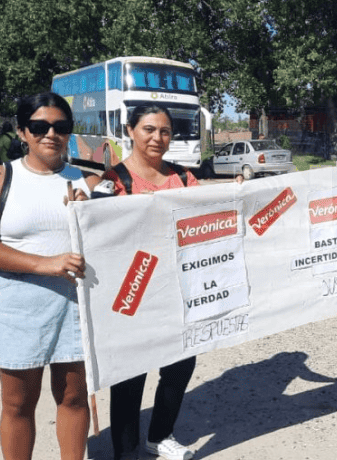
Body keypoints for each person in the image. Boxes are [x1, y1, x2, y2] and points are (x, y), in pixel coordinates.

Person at [0, 92, 100, 459]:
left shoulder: (88, 183)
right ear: (22, 131)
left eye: (61, 126)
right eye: (39, 126)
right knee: (18, 403)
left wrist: (94, 215)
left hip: (74, 306)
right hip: (18, 306)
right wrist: (44, 263)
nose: (50, 134)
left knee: (73, 396)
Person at [102, 104, 199, 460]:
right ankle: (126, 452)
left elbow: (206, 214)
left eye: (165, 131)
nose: (158, 138)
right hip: (132, 293)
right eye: (149, 129)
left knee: (180, 366)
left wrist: (235, 191)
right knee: (129, 377)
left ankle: (161, 436)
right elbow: (97, 238)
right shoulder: (113, 181)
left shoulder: (185, 178)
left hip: (176, 290)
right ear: (130, 131)